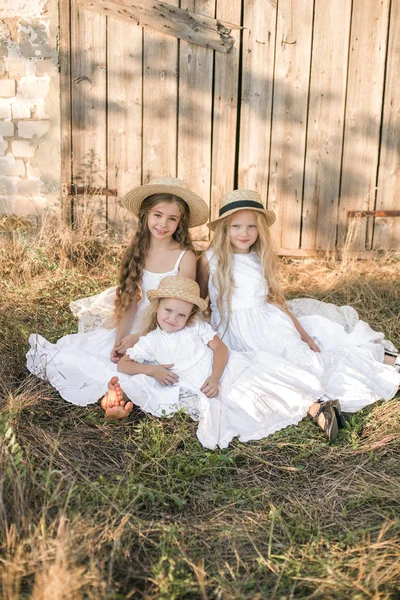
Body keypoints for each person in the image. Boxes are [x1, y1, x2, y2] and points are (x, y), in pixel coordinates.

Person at [197, 189, 400, 439]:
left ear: (260, 229)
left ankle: (380, 366)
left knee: (304, 358)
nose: (244, 233)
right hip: (234, 329)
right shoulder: (210, 259)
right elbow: (198, 299)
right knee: (265, 369)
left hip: (271, 322)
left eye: (251, 226)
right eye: (236, 226)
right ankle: (318, 407)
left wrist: (303, 335)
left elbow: (276, 301)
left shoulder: (261, 258)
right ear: (224, 229)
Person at [26, 177, 209, 406]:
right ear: (145, 215)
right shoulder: (138, 251)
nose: (163, 224)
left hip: (170, 322)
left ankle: (123, 397)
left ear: (180, 223)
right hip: (141, 317)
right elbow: (130, 302)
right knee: (103, 355)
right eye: (157, 215)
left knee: (156, 362)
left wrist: (140, 337)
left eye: (172, 219)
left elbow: (179, 308)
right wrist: (120, 338)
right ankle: (114, 396)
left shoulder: (185, 256)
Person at [100, 276, 327, 449]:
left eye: (181, 315)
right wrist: (152, 369)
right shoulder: (150, 341)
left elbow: (220, 348)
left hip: (220, 372)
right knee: (139, 382)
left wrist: (215, 376)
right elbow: (124, 364)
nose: (173, 318)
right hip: (191, 381)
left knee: (261, 385)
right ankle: (117, 405)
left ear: (189, 316)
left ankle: (317, 409)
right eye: (168, 310)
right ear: (157, 307)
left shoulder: (195, 328)